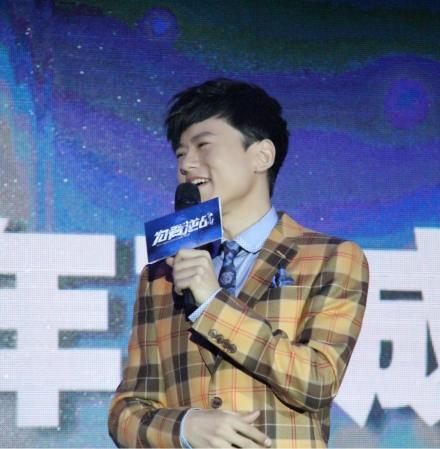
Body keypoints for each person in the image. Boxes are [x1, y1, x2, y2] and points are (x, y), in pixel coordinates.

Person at [108, 78, 369, 448]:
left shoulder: (329, 257)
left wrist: (213, 304)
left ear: (261, 155)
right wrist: (185, 427)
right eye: (180, 154)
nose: (187, 165)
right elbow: (127, 410)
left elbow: (317, 380)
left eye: (203, 146)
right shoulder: (161, 275)